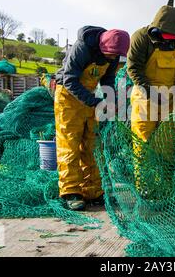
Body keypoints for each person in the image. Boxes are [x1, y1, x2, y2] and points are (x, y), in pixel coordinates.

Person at [54, 26, 130, 211]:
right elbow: (69, 79)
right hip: (67, 98)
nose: (112, 59)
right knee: (70, 145)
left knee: (93, 145)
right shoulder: (82, 48)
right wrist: (95, 102)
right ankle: (71, 191)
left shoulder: (113, 55)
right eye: (110, 55)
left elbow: (107, 81)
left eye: (115, 57)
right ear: (103, 46)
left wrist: (112, 101)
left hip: (90, 99)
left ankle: (93, 190)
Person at [127, 0, 175, 141]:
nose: (169, 40)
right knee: (142, 140)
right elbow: (134, 68)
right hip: (144, 97)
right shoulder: (141, 38)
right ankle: (143, 163)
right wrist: (150, 92)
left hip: (170, 98)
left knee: (167, 141)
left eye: (173, 37)